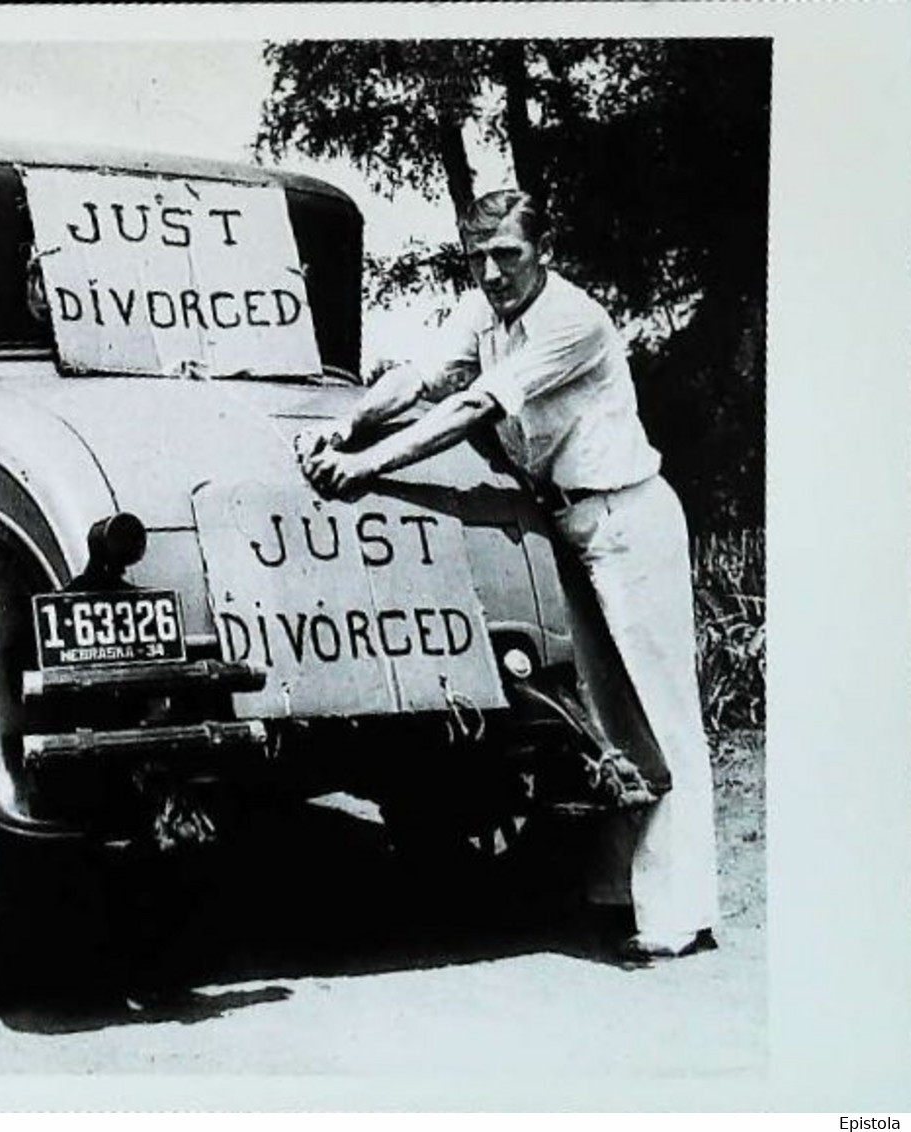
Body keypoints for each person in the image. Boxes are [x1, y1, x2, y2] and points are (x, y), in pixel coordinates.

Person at [296, 189, 720, 963]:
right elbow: (420, 378)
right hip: (559, 521)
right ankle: (613, 892)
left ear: (539, 250)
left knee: (662, 719)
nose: (492, 273)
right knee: (604, 717)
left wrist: (364, 465)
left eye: (507, 256)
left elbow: (471, 407)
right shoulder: (479, 312)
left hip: (623, 516)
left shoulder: (573, 319)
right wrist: (349, 419)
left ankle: (678, 913)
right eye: (478, 257)